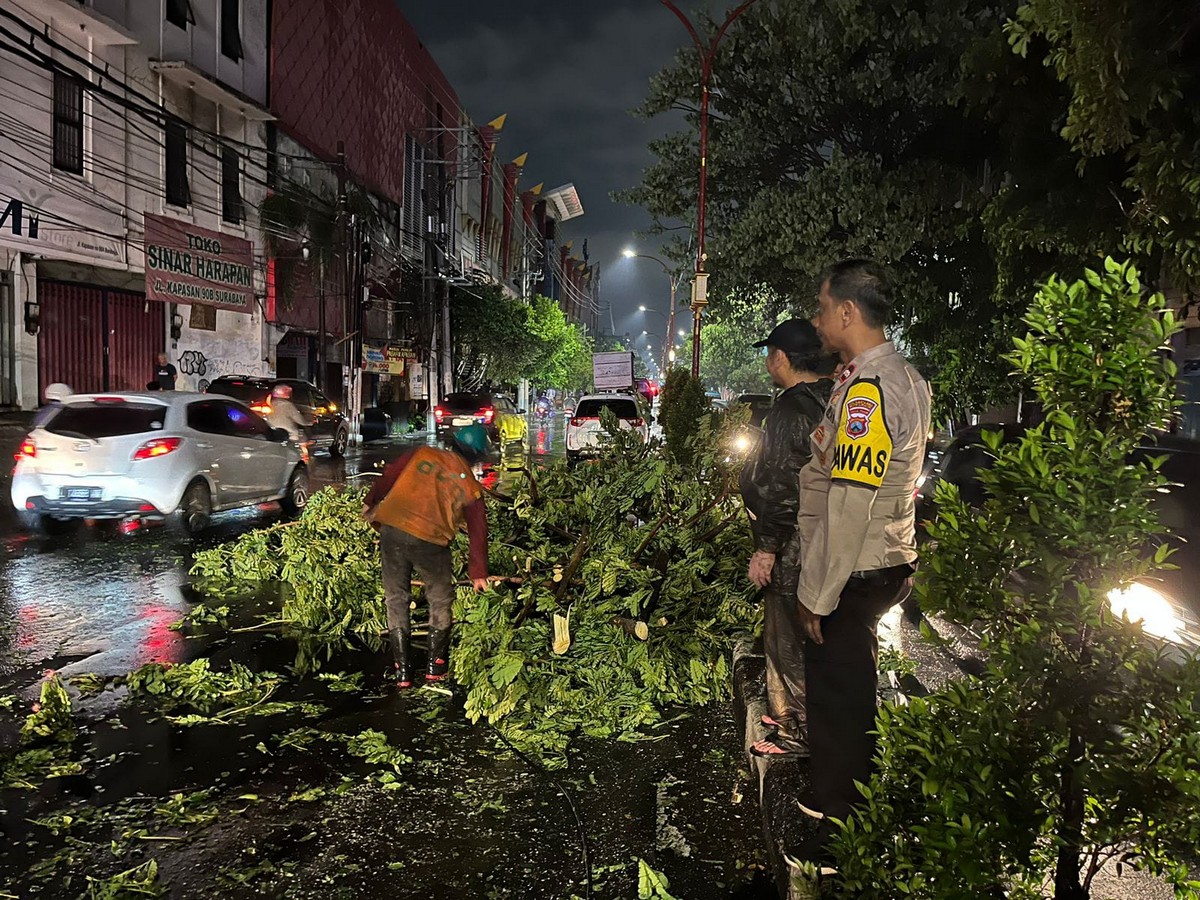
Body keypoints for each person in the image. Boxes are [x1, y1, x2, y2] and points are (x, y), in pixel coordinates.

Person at [795, 259, 932, 838]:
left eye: (823, 308)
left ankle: (837, 827)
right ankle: (852, 801)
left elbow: (850, 503)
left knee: (840, 695)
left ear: (848, 312)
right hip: (886, 558)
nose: (818, 321)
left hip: (856, 568)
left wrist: (817, 596)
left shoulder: (868, 392)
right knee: (853, 686)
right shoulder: (900, 377)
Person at [738, 320, 834, 759]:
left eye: (769, 353)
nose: (766, 362)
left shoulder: (791, 411)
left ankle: (795, 730)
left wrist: (766, 549)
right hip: (824, 538)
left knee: (786, 634)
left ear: (781, 357)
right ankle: (810, 717)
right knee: (812, 631)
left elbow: (781, 486)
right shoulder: (833, 398)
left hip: (794, 541)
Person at [362, 424, 492, 687]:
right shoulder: (469, 483)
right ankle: (435, 669)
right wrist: (478, 573)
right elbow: (478, 528)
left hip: (393, 531)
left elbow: (389, 475)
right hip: (430, 543)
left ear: (454, 444)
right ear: (477, 456)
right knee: (440, 599)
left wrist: (370, 501)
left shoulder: (422, 455)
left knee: (396, 598)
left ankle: (403, 674)